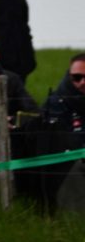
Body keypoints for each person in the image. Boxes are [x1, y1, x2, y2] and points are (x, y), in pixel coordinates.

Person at [40, 54, 85, 211]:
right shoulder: (56, 102)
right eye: (77, 77)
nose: (82, 82)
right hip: (66, 163)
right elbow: (57, 140)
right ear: (69, 75)